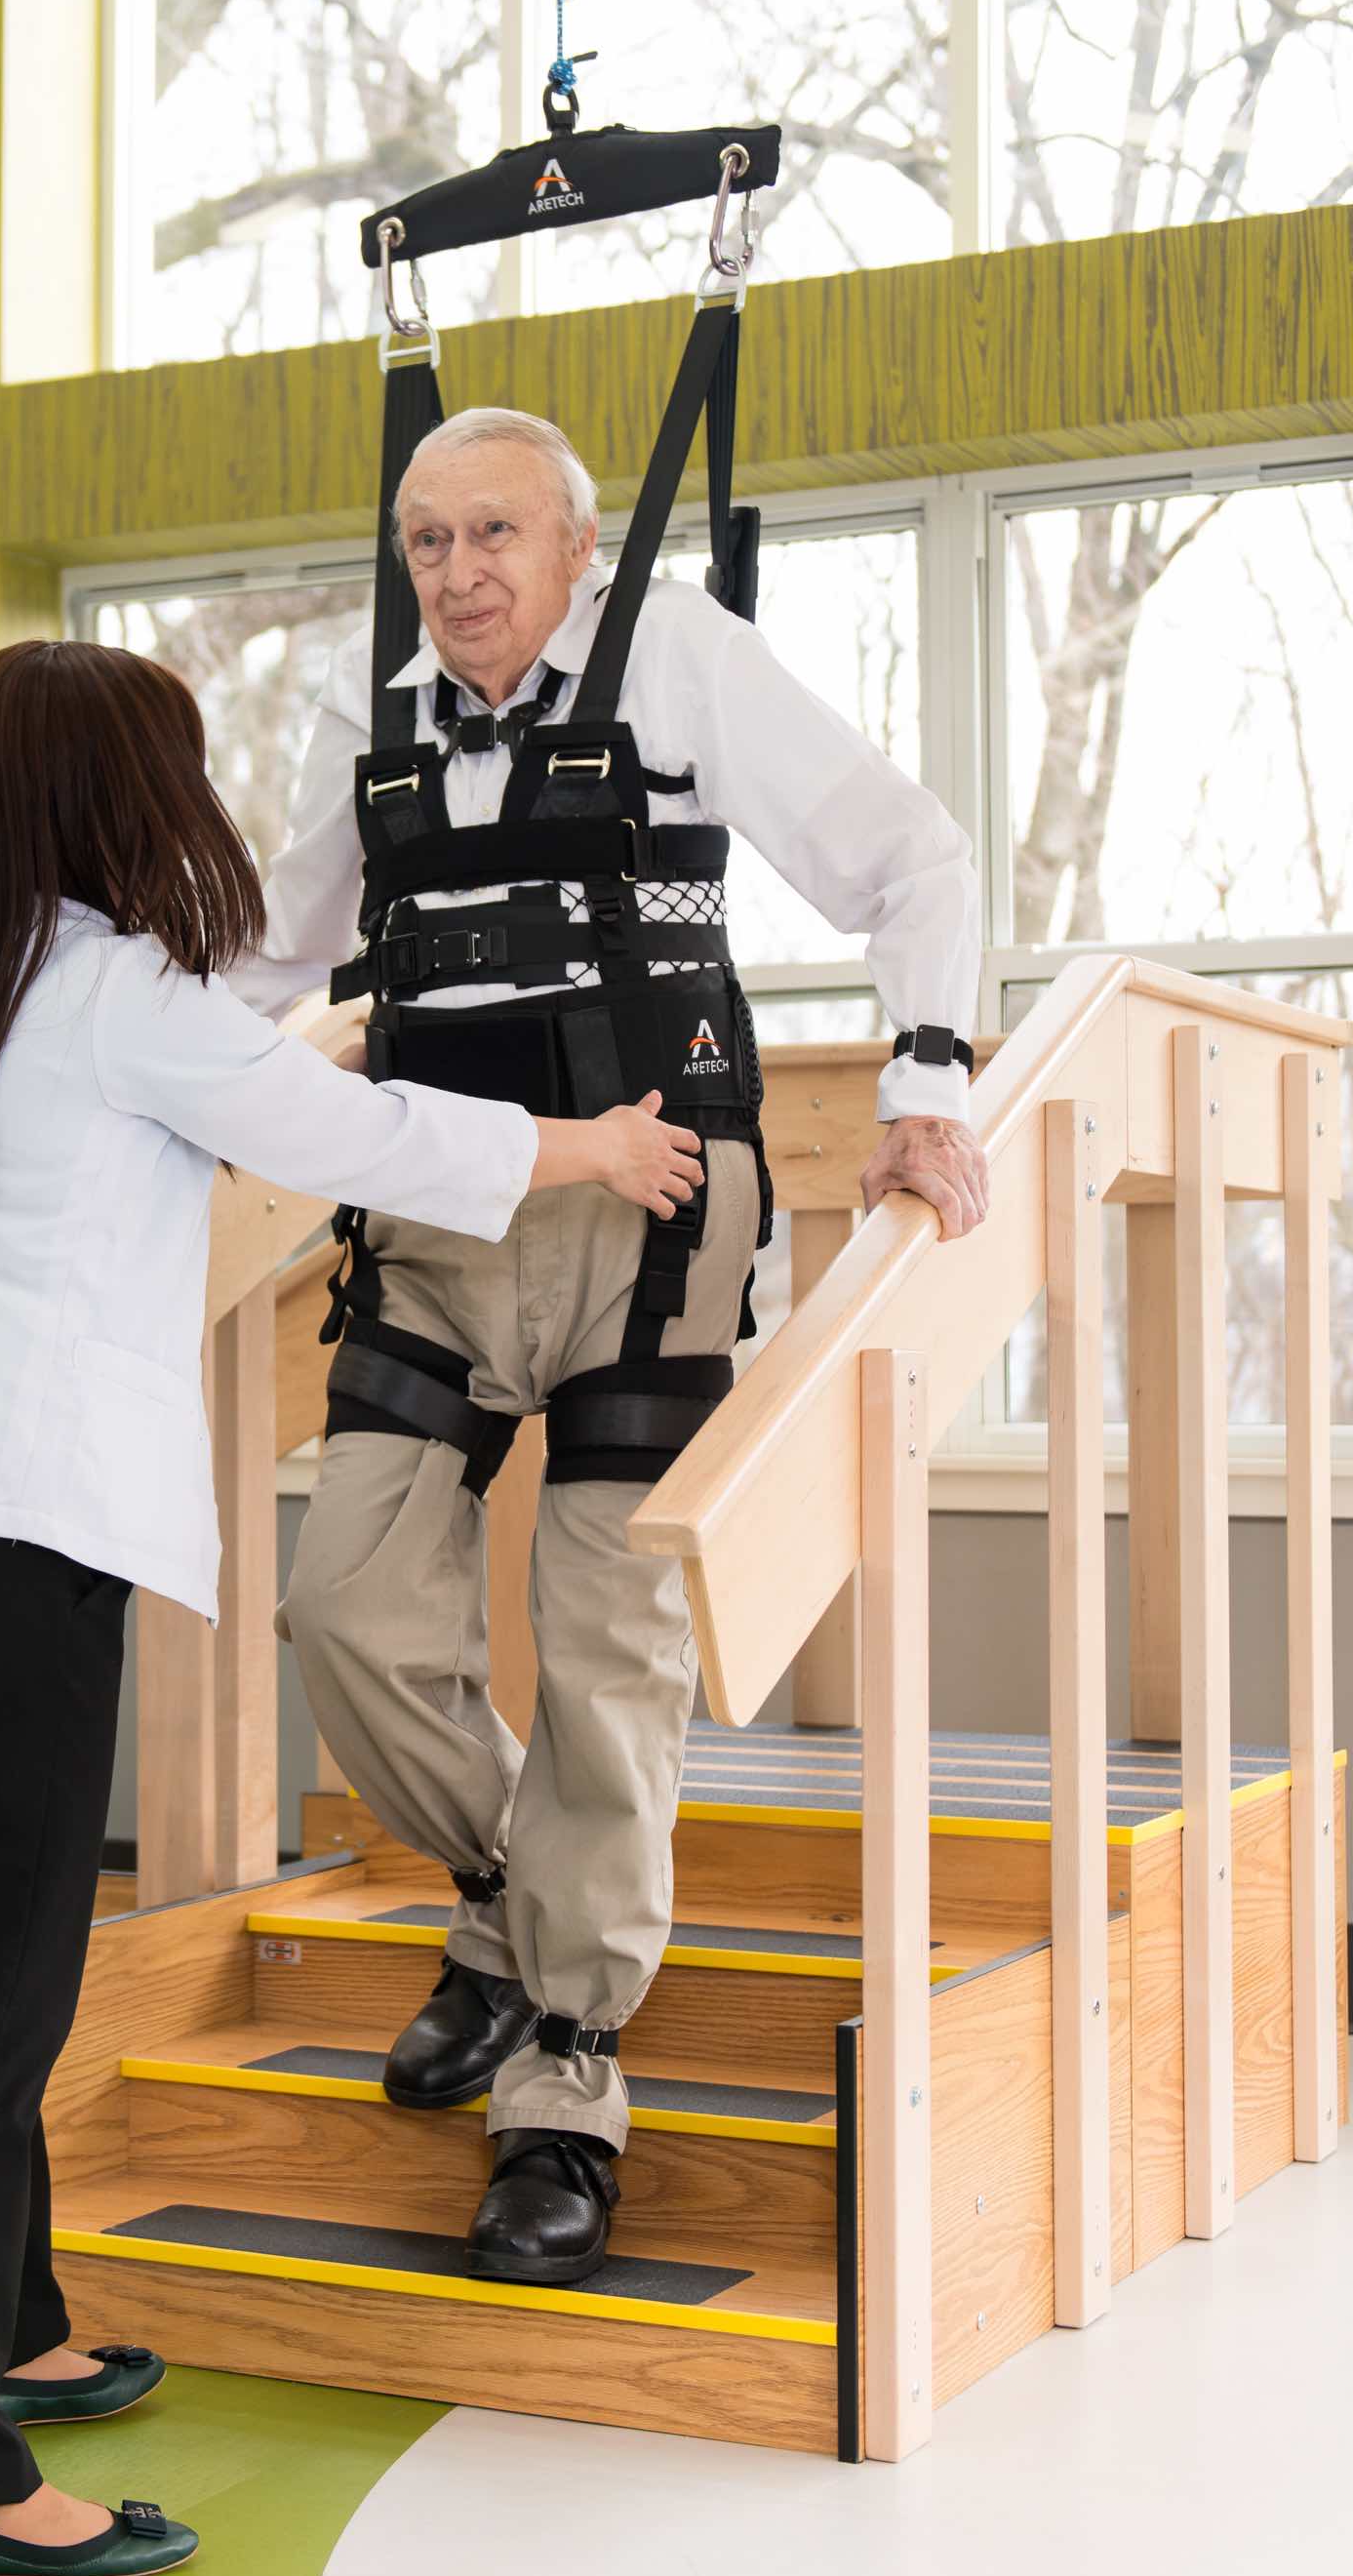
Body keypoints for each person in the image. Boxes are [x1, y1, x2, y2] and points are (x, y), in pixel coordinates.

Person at [0, 636, 702, 2576]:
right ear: (128, 794)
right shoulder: (118, 990)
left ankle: (9, 2333)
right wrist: (590, 1145)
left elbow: (216, 1095)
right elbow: (351, 1143)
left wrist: (308, 1044)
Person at [236, 408, 989, 2285]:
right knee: (346, 1607)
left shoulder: (675, 654)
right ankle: (510, 1899)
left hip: (653, 1215)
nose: (459, 571)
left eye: (494, 531)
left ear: (575, 544)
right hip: (433, 1223)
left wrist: (923, 1083)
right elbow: (255, 957)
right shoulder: (393, 720)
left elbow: (911, 855)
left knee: (602, 1647)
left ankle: (564, 2082)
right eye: (426, 539)